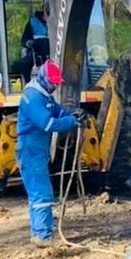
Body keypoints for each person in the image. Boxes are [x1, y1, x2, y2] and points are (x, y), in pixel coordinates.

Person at [17, 60, 84, 246]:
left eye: (57, 83)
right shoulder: (34, 97)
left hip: (37, 148)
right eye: (53, 82)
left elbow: (58, 111)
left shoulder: (44, 95)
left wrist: (73, 114)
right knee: (42, 193)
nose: (55, 86)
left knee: (37, 193)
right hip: (31, 148)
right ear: (44, 78)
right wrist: (72, 122)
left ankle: (38, 233)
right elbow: (48, 123)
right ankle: (43, 236)